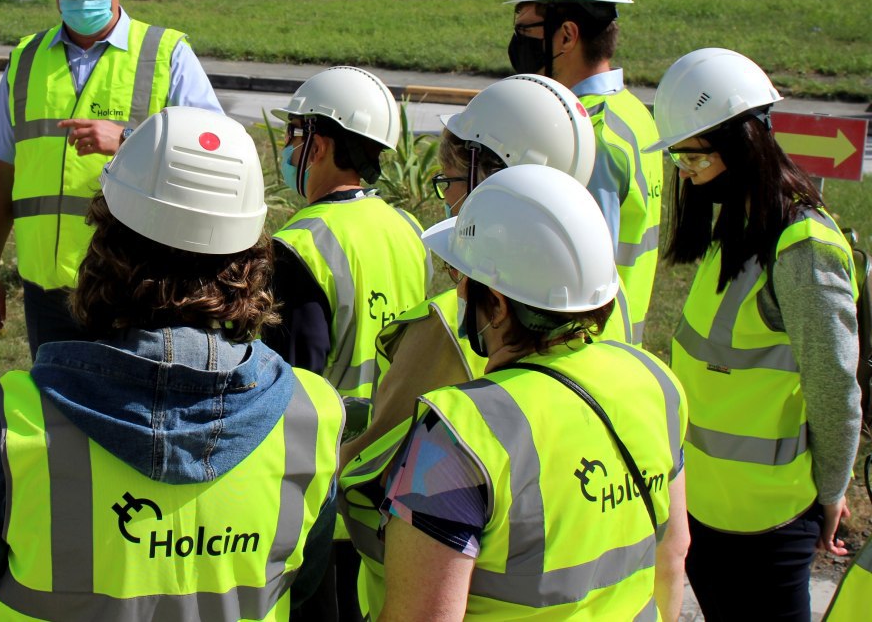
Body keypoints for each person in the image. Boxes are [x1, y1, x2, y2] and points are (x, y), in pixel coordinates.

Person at [0, 107, 344, 620]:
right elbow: (303, 584)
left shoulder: (20, 422)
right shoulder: (308, 417)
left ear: (106, 245)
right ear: (250, 260)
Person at [337, 73, 622, 619]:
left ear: (488, 175)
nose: (447, 198)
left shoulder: (449, 323)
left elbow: (366, 481)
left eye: (449, 181)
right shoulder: (601, 295)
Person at [378, 165, 689, 621]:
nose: (459, 291)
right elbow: (673, 554)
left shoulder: (457, 431)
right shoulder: (655, 381)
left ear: (497, 304)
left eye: (463, 278)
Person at [645, 47, 861, 622]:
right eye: (679, 159)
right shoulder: (737, 227)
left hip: (770, 524)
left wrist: (832, 493)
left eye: (694, 157)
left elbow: (835, 390)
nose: (685, 173)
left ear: (741, 144)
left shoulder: (803, 249)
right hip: (705, 512)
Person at [0, 0, 223, 353]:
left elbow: (215, 158)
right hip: (47, 293)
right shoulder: (26, 61)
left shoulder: (166, 55)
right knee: (55, 399)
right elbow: (0, 174)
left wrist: (127, 141)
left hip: (135, 290)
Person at [507, 0, 662, 344]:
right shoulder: (632, 112)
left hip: (585, 347)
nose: (518, 42)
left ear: (566, 36)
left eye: (525, 30)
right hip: (617, 340)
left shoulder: (588, 135)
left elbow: (581, 271)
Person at [264, 65, 429, 402]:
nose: (286, 146)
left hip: (332, 433)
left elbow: (294, 388)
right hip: (396, 427)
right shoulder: (411, 228)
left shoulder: (299, 247)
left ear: (316, 148)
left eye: (292, 134)